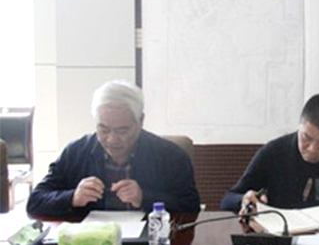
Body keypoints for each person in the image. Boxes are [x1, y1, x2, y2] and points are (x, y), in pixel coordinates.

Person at [27, 80, 201, 217]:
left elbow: (191, 206)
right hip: (90, 244)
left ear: (140, 121)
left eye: (122, 131)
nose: (111, 139)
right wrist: (72, 197)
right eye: (103, 130)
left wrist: (144, 197)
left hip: (148, 243)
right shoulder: (76, 152)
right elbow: (35, 201)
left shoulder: (170, 156)